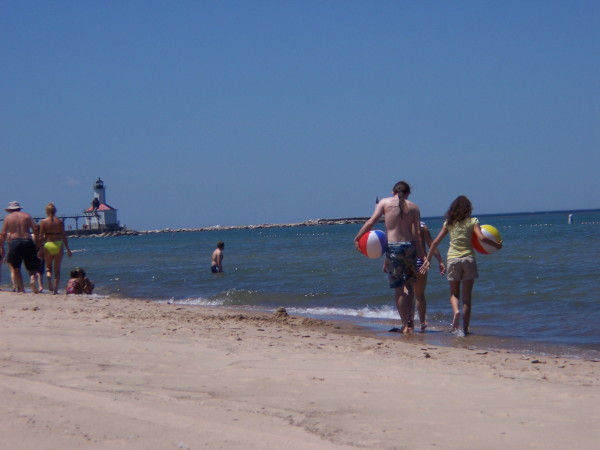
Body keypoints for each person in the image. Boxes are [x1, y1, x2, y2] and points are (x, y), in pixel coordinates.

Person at [422, 195, 502, 336]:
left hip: (452, 259)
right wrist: (497, 245)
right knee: (467, 299)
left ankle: (455, 311)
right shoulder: (473, 221)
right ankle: (464, 330)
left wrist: (427, 261)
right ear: (468, 209)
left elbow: (434, 243)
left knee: (454, 293)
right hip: (468, 259)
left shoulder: (449, 223)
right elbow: (482, 238)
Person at [354, 181, 428, 333]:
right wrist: (423, 256)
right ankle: (411, 322)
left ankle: (405, 325)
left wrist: (358, 237)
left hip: (394, 247)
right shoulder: (414, 207)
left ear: (392, 191)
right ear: (408, 193)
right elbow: (418, 235)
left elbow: (371, 222)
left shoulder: (384, 203)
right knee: (410, 287)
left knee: (399, 290)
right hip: (410, 247)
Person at [0, 201, 41, 293]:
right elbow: (35, 229)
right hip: (27, 241)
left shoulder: (8, 218)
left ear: (10, 210)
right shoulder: (27, 216)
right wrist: (38, 243)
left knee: (16, 267)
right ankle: (32, 279)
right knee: (32, 266)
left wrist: (1, 246)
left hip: (15, 242)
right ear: (20, 208)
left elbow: (3, 233)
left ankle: (21, 288)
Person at [413, 221, 445, 331]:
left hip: (405, 261)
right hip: (420, 261)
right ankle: (422, 322)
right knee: (420, 295)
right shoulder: (422, 226)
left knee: (407, 293)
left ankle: (409, 321)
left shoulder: (401, 223)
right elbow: (431, 244)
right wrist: (440, 261)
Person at [39, 202, 72, 294]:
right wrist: (68, 250)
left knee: (48, 267)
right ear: (55, 211)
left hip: (48, 244)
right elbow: (64, 236)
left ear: (47, 211)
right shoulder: (60, 222)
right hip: (58, 244)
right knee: (57, 270)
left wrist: (40, 248)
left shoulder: (43, 222)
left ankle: (48, 275)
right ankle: (55, 290)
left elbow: (40, 237)